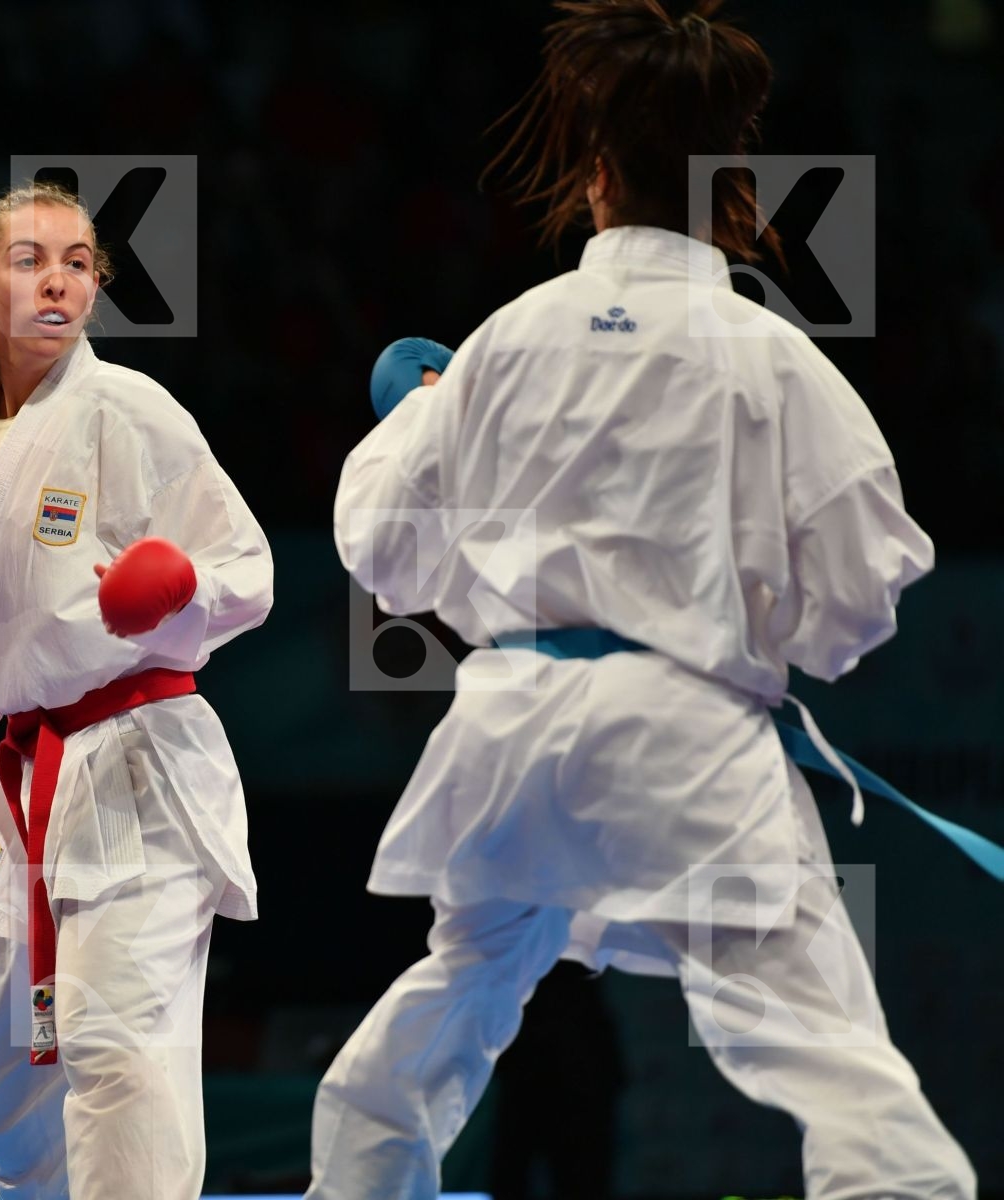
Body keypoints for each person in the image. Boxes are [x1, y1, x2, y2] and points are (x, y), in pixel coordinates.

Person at [311, 3, 977, 1198]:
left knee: (454, 993)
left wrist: (422, 408)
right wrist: (753, 633)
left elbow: (383, 550)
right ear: (731, 183)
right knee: (814, 1032)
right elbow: (861, 600)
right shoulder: (763, 350)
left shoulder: (508, 340)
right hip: (682, 748)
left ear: (598, 170)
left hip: (512, 731)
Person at [0, 181, 273, 1200]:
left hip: (141, 759)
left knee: (117, 1049)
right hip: (31, 780)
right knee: (1, 1096)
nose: (57, 278)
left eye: (79, 261)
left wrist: (177, 594)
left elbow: (249, 569)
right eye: (30, 258)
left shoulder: (129, 408)